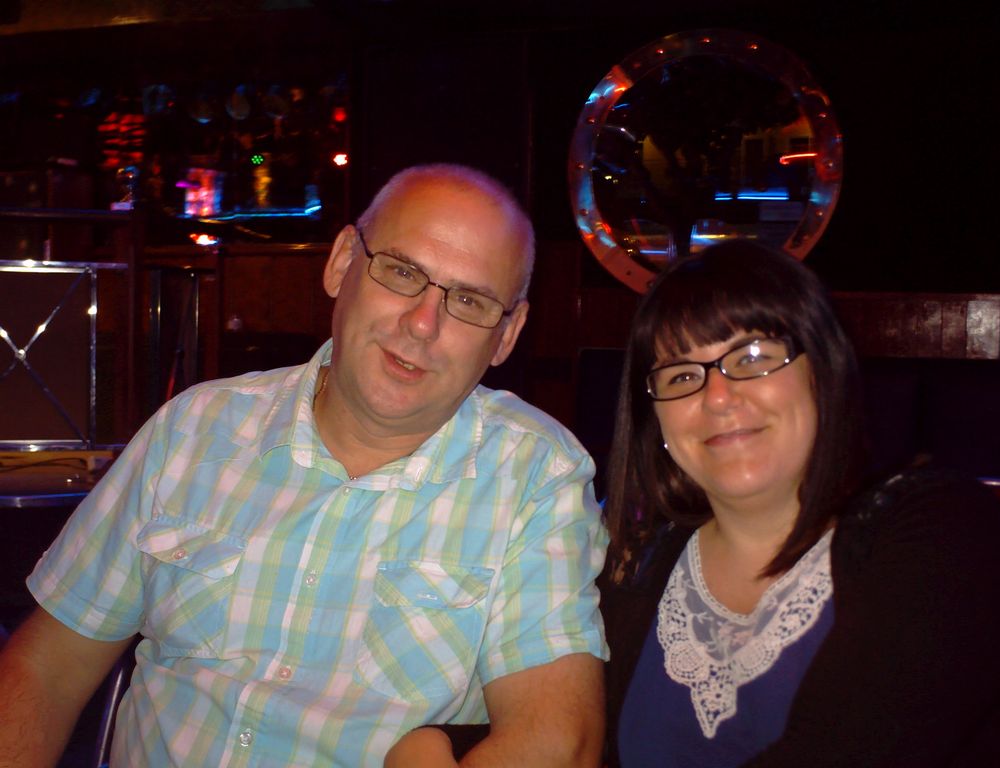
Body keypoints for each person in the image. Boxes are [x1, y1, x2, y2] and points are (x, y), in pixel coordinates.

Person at [0, 164, 608, 767]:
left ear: (507, 334)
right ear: (342, 263)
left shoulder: (534, 476)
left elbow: (556, 740)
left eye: (470, 300)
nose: (424, 324)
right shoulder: (193, 428)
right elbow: (46, 668)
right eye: (401, 272)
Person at [599, 240, 1000, 767]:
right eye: (682, 375)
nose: (718, 397)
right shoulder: (628, 564)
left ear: (822, 371)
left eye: (752, 357)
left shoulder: (945, 534)